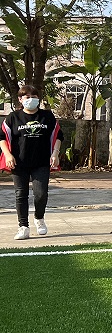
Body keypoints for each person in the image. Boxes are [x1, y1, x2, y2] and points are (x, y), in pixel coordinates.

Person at [1, 85, 61, 240]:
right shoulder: (13, 117)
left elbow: (58, 135)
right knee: (21, 194)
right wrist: (8, 155)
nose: (31, 99)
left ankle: (39, 218)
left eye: (34, 97)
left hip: (41, 162)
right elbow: (2, 138)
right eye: (27, 97)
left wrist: (55, 153)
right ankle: (23, 227)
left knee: (41, 194)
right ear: (20, 99)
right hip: (19, 162)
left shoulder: (47, 116)